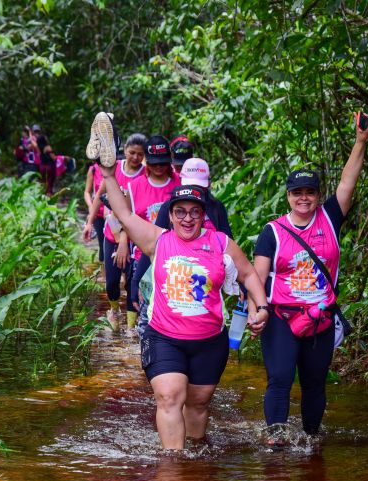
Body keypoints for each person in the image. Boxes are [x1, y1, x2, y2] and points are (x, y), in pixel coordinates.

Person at [88, 111, 271, 449]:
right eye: (180, 212)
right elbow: (124, 214)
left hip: (209, 339)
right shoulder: (157, 240)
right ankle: (172, 468)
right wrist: (108, 172)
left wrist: (261, 306)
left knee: (198, 404)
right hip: (164, 337)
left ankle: (195, 457)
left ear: (204, 214)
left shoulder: (221, 243)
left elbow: (248, 274)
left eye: (195, 212)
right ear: (170, 215)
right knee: (170, 397)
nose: (188, 218)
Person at [252, 113, 368, 446]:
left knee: (315, 383)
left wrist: (360, 142)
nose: (303, 197)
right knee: (279, 378)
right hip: (281, 316)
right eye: (297, 192)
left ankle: (310, 440)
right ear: (288, 196)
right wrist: (256, 310)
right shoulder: (272, 232)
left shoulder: (330, 218)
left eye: (310, 192)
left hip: (320, 317)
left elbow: (348, 181)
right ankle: (276, 439)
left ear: (318, 195)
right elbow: (257, 277)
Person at [130, 157, 233, 315]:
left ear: (208, 184)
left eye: (200, 187)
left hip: (205, 283)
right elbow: (153, 245)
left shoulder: (216, 208)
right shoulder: (169, 208)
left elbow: (229, 247)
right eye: (191, 185)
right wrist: (136, 281)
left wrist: (243, 284)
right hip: (173, 280)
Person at [89, 133, 147, 331]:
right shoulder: (115, 170)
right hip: (111, 233)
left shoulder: (145, 175)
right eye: (132, 153)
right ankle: (114, 310)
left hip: (136, 236)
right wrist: (89, 223)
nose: (135, 158)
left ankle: (131, 328)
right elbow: (98, 196)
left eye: (140, 154)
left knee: (132, 283)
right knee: (112, 281)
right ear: (124, 151)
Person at [125, 135, 180, 330]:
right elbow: (125, 220)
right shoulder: (134, 187)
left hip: (175, 260)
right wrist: (122, 243)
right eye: (155, 163)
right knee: (146, 313)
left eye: (164, 163)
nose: (159, 167)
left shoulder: (180, 185)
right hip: (143, 258)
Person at [83, 163, 106, 261]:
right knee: (102, 242)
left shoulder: (117, 166)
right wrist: (91, 206)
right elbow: (87, 192)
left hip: (114, 213)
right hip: (98, 213)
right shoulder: (93, 169)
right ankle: (104, 271)